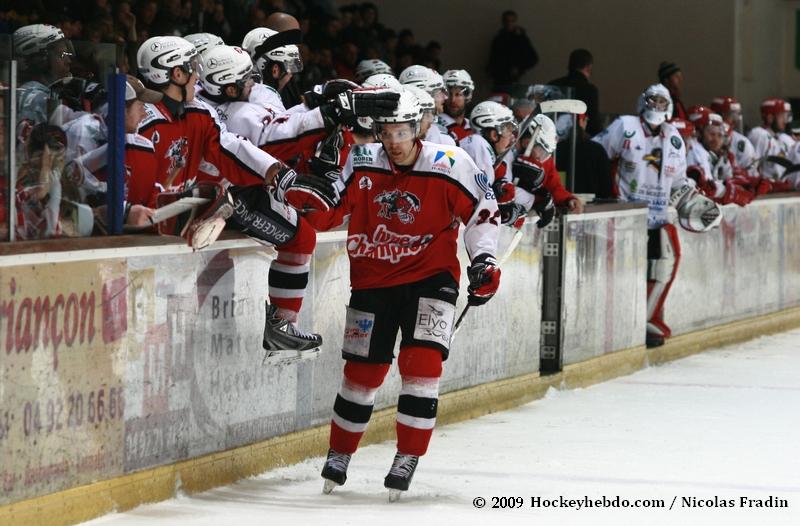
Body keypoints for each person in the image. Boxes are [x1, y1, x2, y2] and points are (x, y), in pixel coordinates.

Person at [308, 89, 501, 498]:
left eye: (401, 132)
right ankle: (339, 452)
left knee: (422, 365)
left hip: (432, 278)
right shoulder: (361, 160)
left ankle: (408, 455)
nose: (393, 141)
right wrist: (314, 180)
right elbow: (326, 212)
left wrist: (484, 261)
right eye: (386, 132)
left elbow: (483, 210)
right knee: (362, 374)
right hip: (373, 281)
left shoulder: (451, 163)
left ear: (418, 128)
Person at [135, 35, 340, 357]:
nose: (197, 76)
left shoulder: (198, 111)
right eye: (192, 68)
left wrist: (277, 174)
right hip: (155, 221)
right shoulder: (145, 121)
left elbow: (229, 147)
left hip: (189, 208)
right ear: (176, 74)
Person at [593, 84, 722, 348]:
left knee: (666, 263)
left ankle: (646, 318)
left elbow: (678, 181)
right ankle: (621, 322)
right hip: (626, 217)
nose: (657, 106)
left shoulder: (674, 137)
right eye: (653, 101)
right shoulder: (624, 126)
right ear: (642, 103)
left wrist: (692, 200)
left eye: (663, 102)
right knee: (623, 273)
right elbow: (595, 154)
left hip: (658, 217)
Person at [555, 113, 613, 198]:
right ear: (581, 122)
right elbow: (606, 184)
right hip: (593, 202)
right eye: (586, 120)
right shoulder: (597, 149)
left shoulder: (557, 150)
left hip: (565, 201)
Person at [398, 65, 455, 146]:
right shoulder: (443, 141)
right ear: (424, 94)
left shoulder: (391, 131)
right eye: (440, 91)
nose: (445, 97)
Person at [549, 49, 601, 136]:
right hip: (578, 138)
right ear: (588, 67)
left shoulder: (553, 85)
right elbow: (593, 124)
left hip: (551, 136)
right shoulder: (589, 90)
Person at [487, 10, 538, 92]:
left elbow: (533, 58)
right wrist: (491, 70)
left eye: (512, 21)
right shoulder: (499, 38)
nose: (509, 24)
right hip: (499, 78)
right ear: (503, 22)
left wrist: (519, 68)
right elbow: (494, 57)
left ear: (515, 22)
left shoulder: (521, 39)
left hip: (512, 79)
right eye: (507, 21)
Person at [748, 98, 791, 180]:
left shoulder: (781, 137)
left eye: (786, 116)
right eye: (782, 116)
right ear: (770, 118)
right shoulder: (759, 134)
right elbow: (751, 167)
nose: (786, 121)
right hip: (765, 186)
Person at [440, 69, 475, 143]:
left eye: (458, 94)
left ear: (467, 96)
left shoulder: (472, 126)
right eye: (448, 94)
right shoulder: (434, 125)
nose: (453, 100)